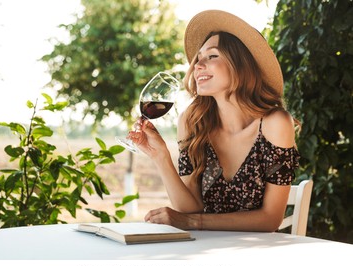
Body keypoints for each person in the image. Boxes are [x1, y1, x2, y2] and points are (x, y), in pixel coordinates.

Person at [127, 10, 300, 232]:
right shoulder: (192, 122)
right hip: (202, 249)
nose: (197, 65)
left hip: (255, 253)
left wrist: (194, 223)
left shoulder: (274, 123)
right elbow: (190, 207)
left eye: (212, 56)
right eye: (198, 58)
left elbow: (270, 219)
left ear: (241, 65)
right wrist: (160, 156)